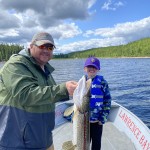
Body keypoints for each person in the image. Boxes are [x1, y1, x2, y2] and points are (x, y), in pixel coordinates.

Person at [0, 32, 77, 150]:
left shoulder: (45, 70)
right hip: (17, 142)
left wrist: (71, 93)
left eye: (50, 47)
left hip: (43, 139)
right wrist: (63, 89)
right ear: (31, 46)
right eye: (42, 46)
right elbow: (26, 95)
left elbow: (48, 96)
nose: (46, 50)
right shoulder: (15, 64)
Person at [84, 56, 111, 150]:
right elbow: (77, 101)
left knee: (96, 144)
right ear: (85, 69)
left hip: (97, 122)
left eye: (94, 67)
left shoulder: (102, 82)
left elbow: (107, 101)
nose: (91, 69)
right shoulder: (82, 82)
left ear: (98, 69)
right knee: (84, 144)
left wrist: (103, 117)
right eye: (89, 67)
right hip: (84, 122)